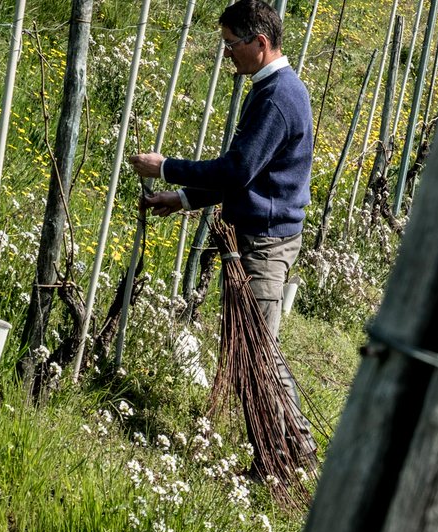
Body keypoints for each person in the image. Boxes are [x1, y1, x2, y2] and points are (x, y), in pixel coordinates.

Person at [129, 0, 316, 471]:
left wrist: (166, 168)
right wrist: (184, 199)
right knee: (255, 349)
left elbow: (237, 171)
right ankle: (289, 452)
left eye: (232, 45)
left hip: (264, 242)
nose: (226, 55)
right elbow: (251, 176)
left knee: (257, 354)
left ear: (260, 42)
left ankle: (285, 458)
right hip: (267, 233)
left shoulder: (276, 97)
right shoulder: (278, 88)